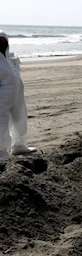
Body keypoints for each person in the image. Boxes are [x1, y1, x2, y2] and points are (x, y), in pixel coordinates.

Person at [0, 30, 36, 161]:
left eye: (3, 40)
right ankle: (1, 152)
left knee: (20, 118)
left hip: (16, 93)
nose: (1, 42)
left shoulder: (10, 57)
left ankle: (19, 145)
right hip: (2, 95)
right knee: (1, 122)